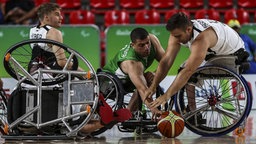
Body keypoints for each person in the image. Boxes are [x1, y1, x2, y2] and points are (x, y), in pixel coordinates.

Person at [145, 12, 247, 111]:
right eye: (174, 36)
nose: (176, 39)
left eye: (178, 36)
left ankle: (192, 109)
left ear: (188, 29)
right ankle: (192, 110)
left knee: (188, 72)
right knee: (184, 70)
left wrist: (166, 96)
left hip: (233, 54)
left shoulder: (201, 39)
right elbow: (166, 62)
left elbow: (188, 71)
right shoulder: (178, 32)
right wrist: (153, 85)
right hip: (214, 52)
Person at [80, 27, 165, 134]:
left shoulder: (153, 39)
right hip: (108, 83)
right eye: (141, 45)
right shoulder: (132, 62)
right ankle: (127, 114)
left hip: (127, 80)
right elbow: (142, 90)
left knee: (148, 78)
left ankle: (129, 114)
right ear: (133, 45)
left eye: (147, 43)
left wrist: (155, 73)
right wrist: (154, 109)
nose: (146, 47)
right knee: (142, 84)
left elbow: (165, 61)